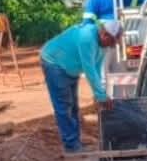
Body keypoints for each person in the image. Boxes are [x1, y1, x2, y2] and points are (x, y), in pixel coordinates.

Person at [40, 18, 122, 153]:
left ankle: (75, 143)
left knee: (73, 107)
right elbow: (89, 68)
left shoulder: (103, 44)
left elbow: (97, 67)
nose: (112, 46)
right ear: (104, 35)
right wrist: (101, 95)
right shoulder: (87, 38)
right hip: (55, 63)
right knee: (64, 107)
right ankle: (71, 146)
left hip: (70, 67)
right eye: (112, 42)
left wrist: (99, 93)